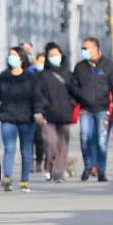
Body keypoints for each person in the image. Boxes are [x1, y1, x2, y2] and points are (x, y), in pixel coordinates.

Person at [0, 46, 45, 193]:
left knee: (26, 150)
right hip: (8, 117)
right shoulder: (4, 76)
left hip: (27, 118)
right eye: (10, 55)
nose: (11, 58)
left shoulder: (31, 77)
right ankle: (7, 178)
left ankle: (24, 180)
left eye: (14, 55)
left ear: (22, 58)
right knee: (9, 148)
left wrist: (38, 111)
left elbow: (36, 97)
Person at [71, 37, 113, 183]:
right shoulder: (80, 67)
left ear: (96, 48)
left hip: (102, 109)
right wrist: (80, 96)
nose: (84, 51)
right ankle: (88, 165)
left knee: (101, 141)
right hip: (85, 109)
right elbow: (73, 86)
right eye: (83, 48)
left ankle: (101, 170)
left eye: (86, 48)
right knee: (85, 138)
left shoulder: (108, 66)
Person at [38, 43, 75, 183]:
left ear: (61, 55)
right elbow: (38, 94)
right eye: (51, 55)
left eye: (56, 55)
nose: (54, 57)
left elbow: (74, 92)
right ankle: (50, 166)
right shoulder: (42, 75)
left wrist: (72, 104)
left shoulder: (68, 74)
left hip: (65, 114)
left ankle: (58, 172)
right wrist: (41, 110)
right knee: (51, 143)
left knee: (63, 144)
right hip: (48, 115)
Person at [32, 52, 47, 173]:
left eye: (44, 61)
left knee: (40, 139)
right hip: (28, 111)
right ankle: (30, 163)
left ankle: (39, 162)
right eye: (40, 61)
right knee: (29, 139)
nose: (41, 64)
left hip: (43, 111)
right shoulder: (29, 73)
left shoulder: (46, 75)